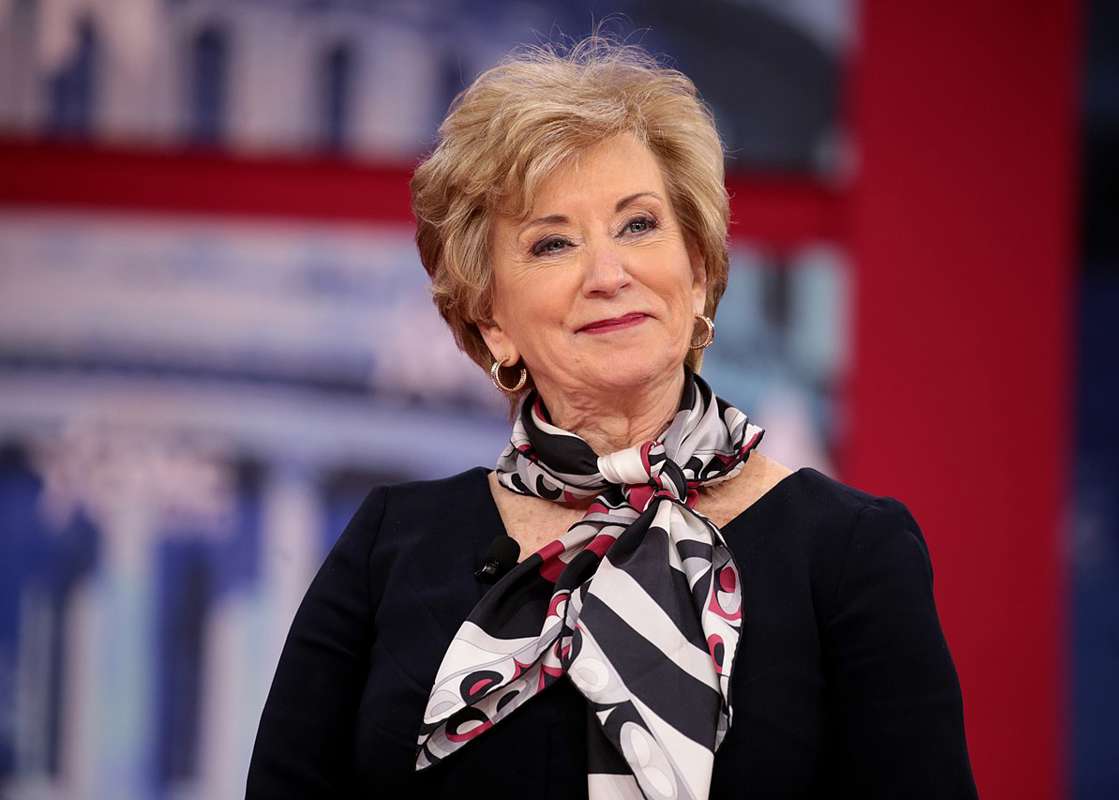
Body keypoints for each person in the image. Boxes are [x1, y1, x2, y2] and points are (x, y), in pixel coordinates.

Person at [246, 38, 977, 799]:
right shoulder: (390, 546)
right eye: (552, 243)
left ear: (698, 274)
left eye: (638, 226)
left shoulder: (849, 552)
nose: (608, 274)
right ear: (493, 321)